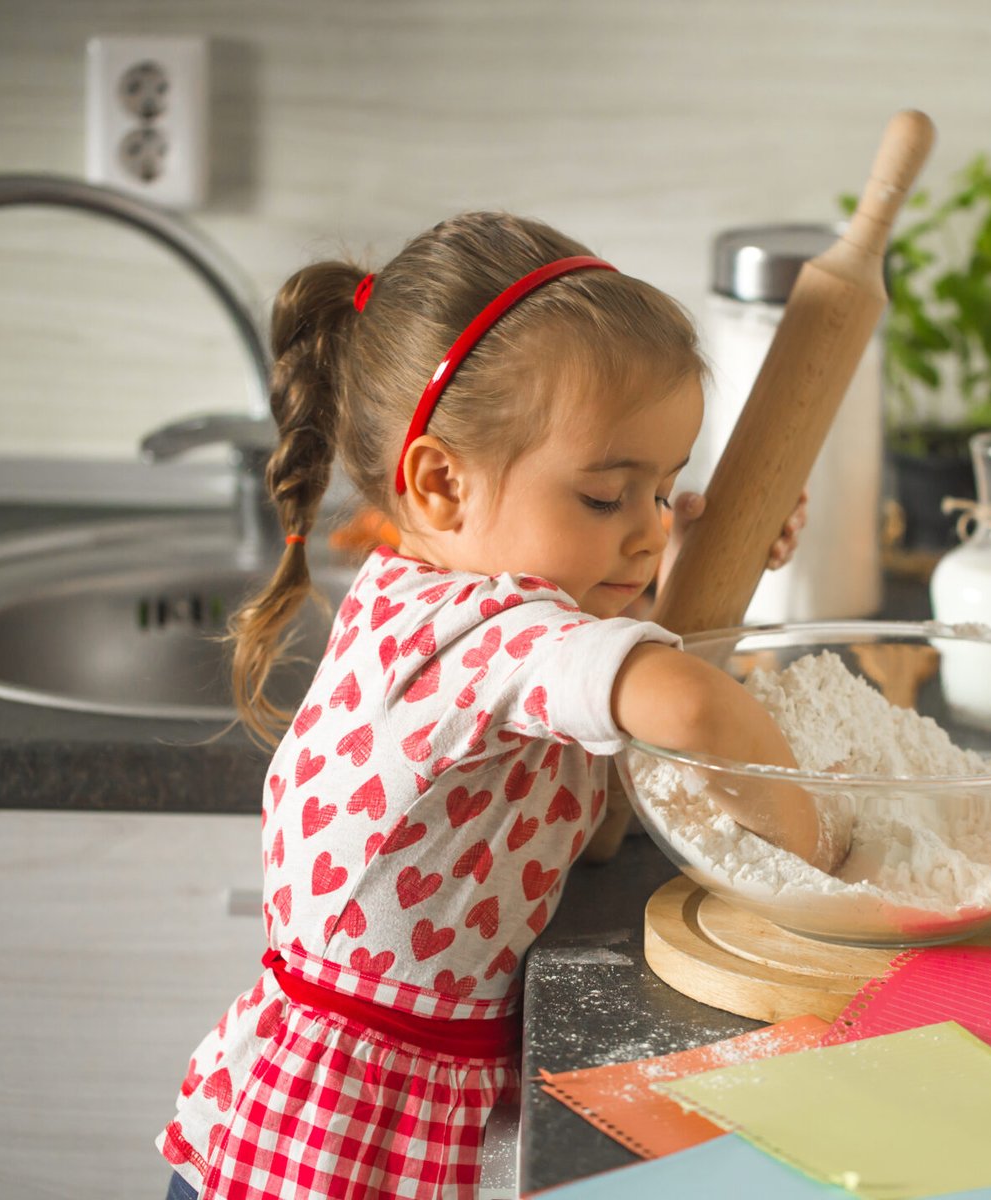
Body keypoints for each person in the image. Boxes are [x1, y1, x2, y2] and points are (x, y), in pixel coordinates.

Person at [157, 211, 847, 1199]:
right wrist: (816, 854)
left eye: (665, 489)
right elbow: (689, 709)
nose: (649, 532)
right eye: (609, 498)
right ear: (441, 483)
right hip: (342, 1135)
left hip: (338, 1084)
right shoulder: (485, 627)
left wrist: (695, 556)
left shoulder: (422, 592)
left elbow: (583, 726)